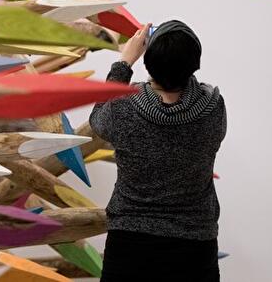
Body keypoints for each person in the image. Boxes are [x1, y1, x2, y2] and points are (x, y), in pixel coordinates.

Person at [90, 21, 226, 282]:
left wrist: (123, 63)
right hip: (195, 247)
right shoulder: (213, 107)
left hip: (130, 245)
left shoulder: (123, 107)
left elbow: (98, 120)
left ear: (148, 62)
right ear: (194, 63)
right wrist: (176, 63)